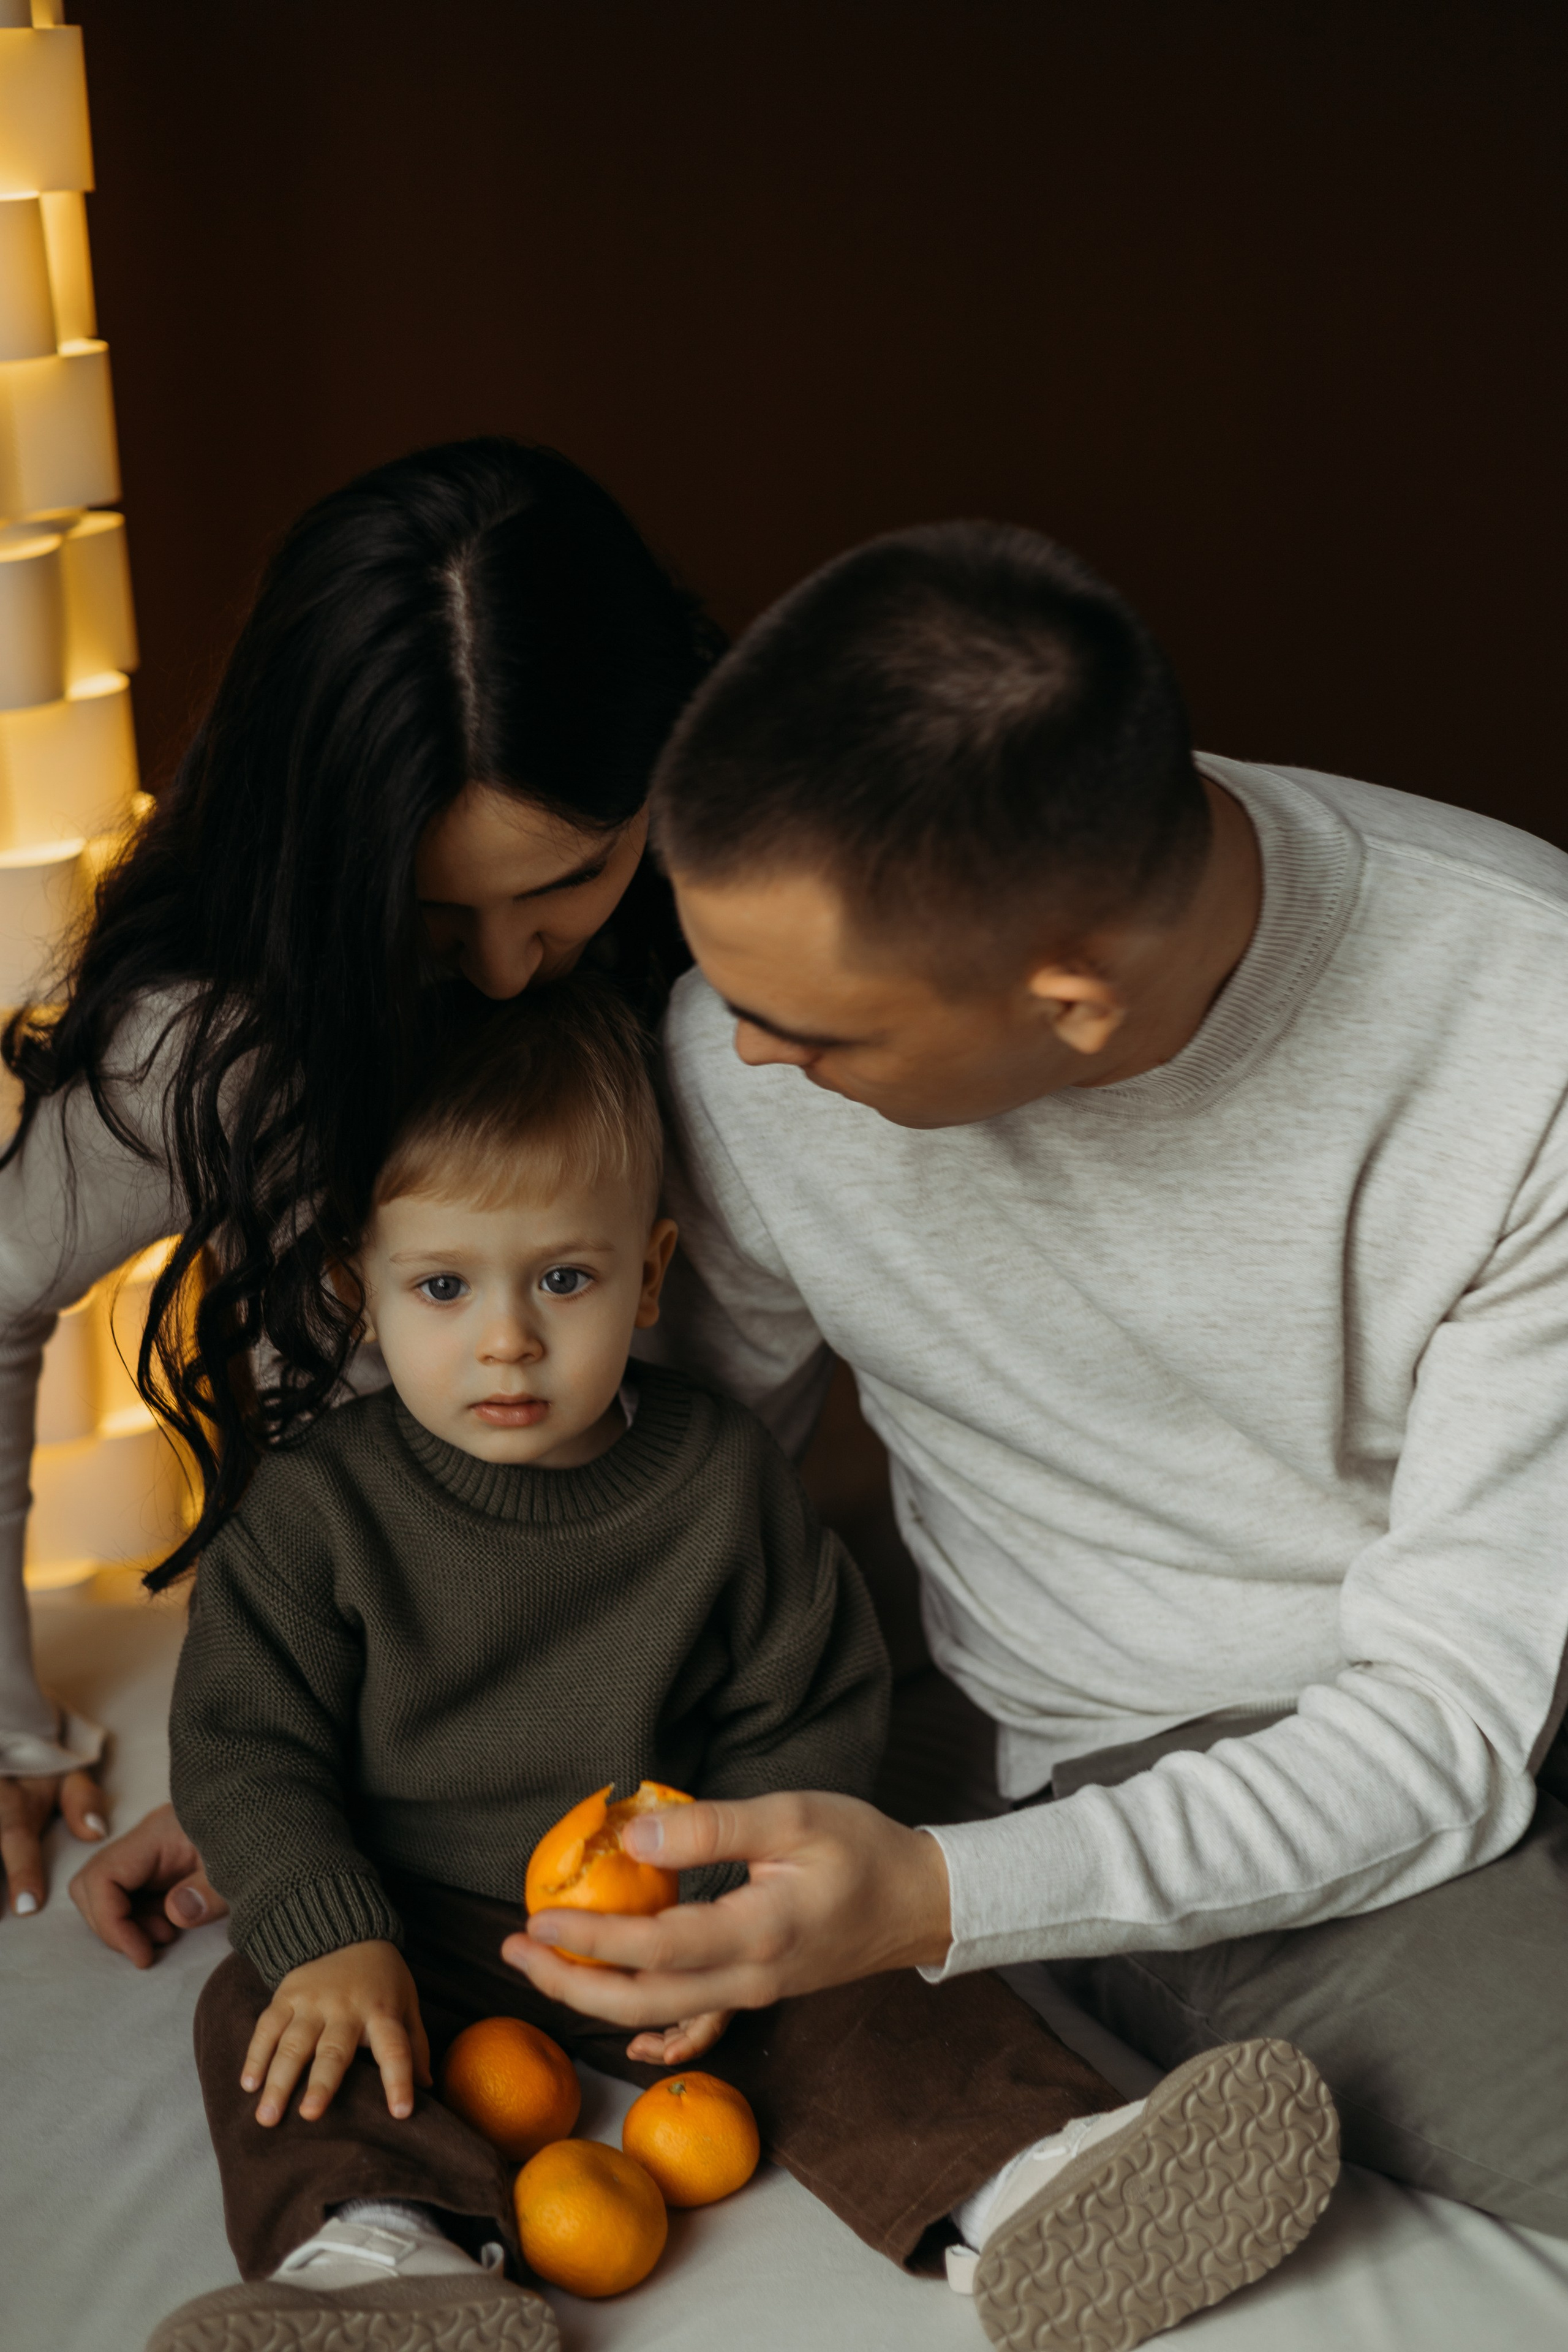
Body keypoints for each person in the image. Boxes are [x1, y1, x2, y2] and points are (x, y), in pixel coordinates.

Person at [500, 521, 1568, 2237]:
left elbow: (1453, 1715)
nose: (743, 1051)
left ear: (1070, 1003)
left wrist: (919, 1893)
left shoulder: (1530, 1019)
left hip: (1468, 1691)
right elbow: (677, 1510)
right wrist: (339, 1768)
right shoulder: (739, 1057)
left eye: (820, 1031)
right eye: (723, 982)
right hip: (1195, 1760)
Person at [149, 976, 1335, 2352]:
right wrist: (327, 1923)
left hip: (684, 1914)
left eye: (565, 1279)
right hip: (412, 1923)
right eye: (443, 1286)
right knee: (272, 2018)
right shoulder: (315, 1512)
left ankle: (1040, 2178)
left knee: (868, 1978)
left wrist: (728, 1916)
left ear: (647, 1275)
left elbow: (804, 1709)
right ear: (362, 1292)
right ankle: (382, 2256)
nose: (508, 1338)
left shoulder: (717, 1479)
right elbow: (246, 1742)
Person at [1, 435, 712, 1928]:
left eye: (569, 881)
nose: (514, 970)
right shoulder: (219, 1039)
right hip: (375, 1679)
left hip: (673, 1628)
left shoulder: (747, 933)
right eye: (435, 914)